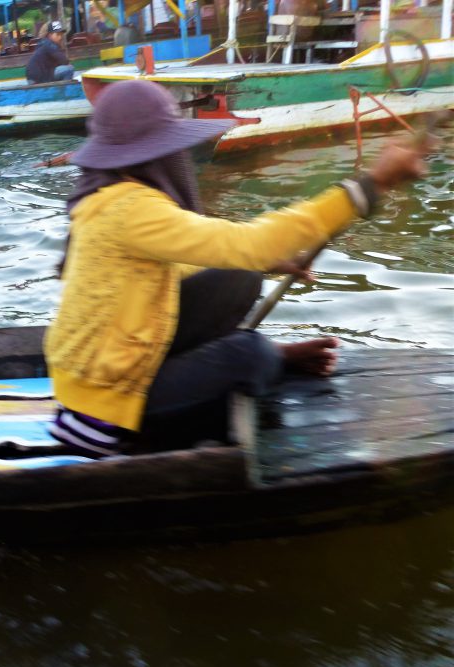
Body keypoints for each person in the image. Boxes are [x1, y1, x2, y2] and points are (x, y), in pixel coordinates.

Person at [45, 79, 429, 454]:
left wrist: (270, 262)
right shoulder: (130, 209)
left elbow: (167, 272)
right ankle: (263, 363)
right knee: (252, 355)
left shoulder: (108, 200)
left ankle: (266, 356)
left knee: (240, 276)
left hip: (101, 373)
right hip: (102, 409)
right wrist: (372, 184)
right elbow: (247, 243)